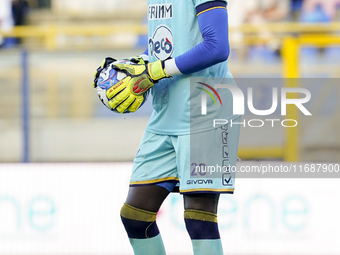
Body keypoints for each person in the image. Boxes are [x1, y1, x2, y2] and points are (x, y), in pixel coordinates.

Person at [93, 1, 240, 254]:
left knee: (198, 220)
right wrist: (139, 66)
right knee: (135, 217)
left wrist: (155, 71)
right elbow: (171, 45)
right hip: (166, 114)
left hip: (207, 111)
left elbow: (217, 47)